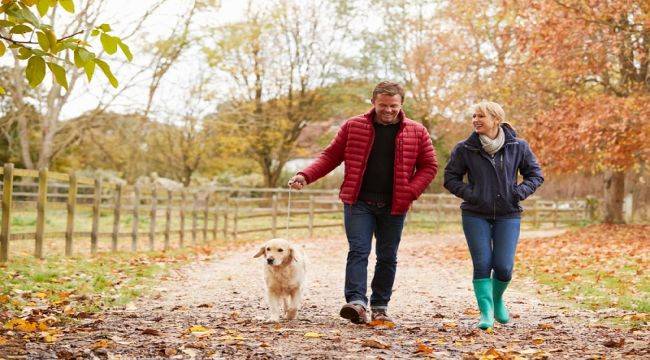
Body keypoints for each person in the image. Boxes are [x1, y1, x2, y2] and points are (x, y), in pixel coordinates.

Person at [288, 81, 437, 324]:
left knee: (387, 255)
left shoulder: (417, 131)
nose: (388, 110)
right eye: (383, 105)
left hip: (394, 204)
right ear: (373, 103)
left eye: (393, 106)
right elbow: (330, 156)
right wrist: (305, 175)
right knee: (358, 250)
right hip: (358, 202)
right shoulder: (353, 126)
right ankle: (356, 303)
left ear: (401, 104)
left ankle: (380, 305)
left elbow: (429, 166)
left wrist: (410, 192)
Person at [443, 101, 544, 330]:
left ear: (496, 119)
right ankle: (486, 312)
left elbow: (535, 175)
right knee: (482, 264)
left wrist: (518, 193)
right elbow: (450, 178)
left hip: (508, 214)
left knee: (504, 266)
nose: (476, 120)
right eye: (474, 116)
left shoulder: (518, 146)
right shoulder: (465, 148)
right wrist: (473, 194)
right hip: (475, 214)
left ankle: (498, 299)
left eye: (481, 116)